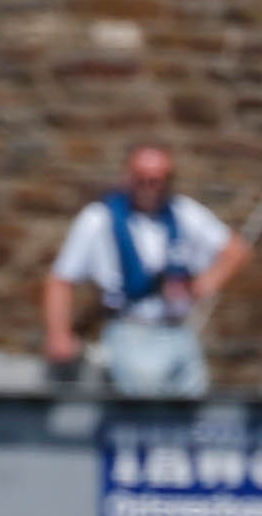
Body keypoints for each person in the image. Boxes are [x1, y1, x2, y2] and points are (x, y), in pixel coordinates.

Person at [42, 147, 242, 400]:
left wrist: (204, 284)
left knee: (192, 408)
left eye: (157, 180)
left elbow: (235, 250)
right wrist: (59, 335)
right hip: (130, 330)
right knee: (144, 408)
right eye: (141, 179)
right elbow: (61, 279)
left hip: (178, 330)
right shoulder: (99, 218)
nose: (149, 187)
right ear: (127, 177)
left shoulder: (183, 213)